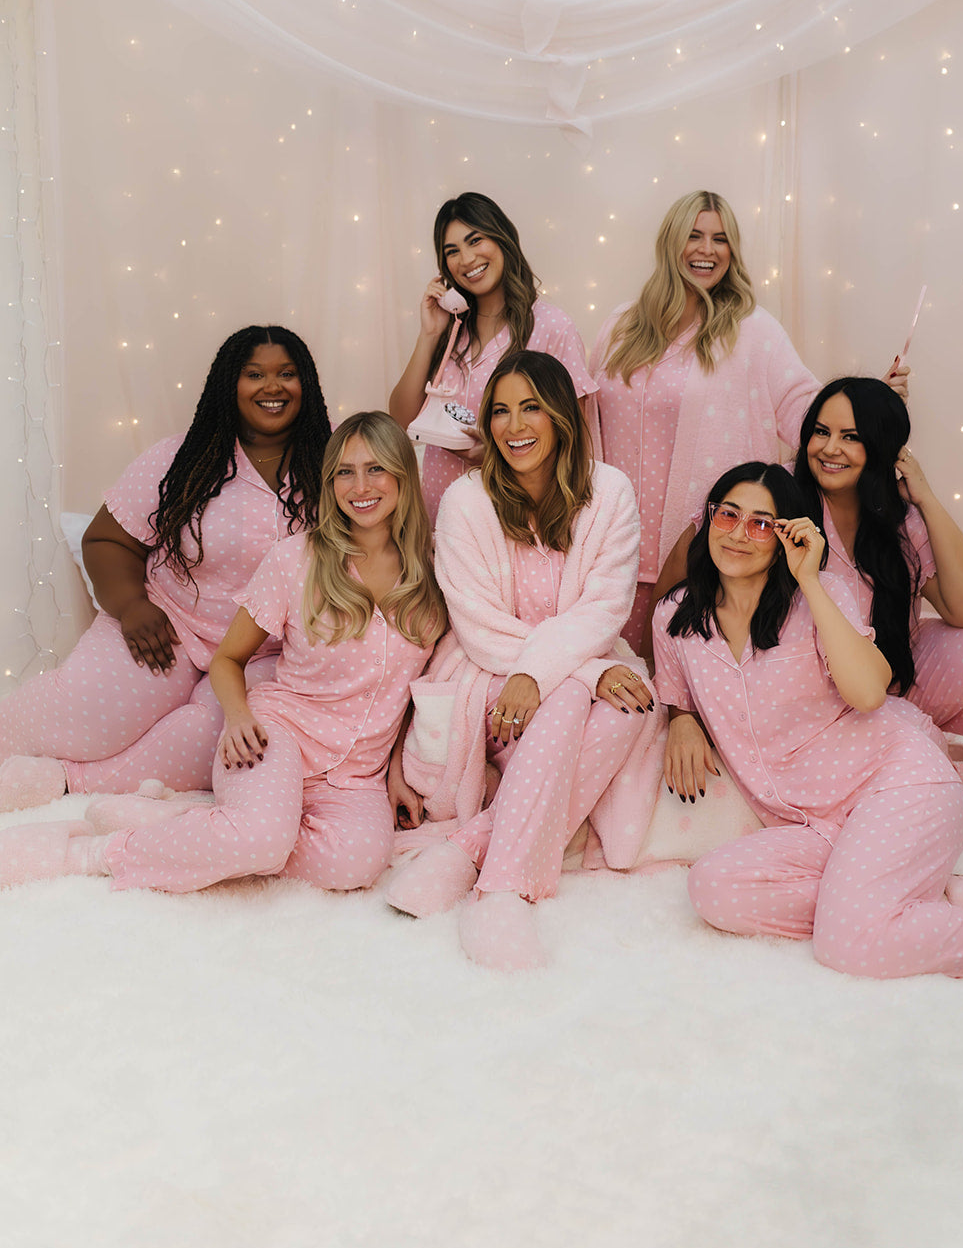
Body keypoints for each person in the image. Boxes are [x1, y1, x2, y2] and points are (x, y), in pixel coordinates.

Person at [0, 413, 446, 894]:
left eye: (376, 468)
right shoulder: (296, 560)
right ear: (330, 481)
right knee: (262, 839)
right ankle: (88, 853)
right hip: (277, 738)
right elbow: (228, 659)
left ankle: (193, 822)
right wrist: (237, 718)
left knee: (356, 865)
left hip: (360, 775)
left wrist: (398, 768)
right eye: (345, 471)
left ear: (404, 474)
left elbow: (411, 693)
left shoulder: (434, 574)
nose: (361, 485)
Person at [653, 462, 963, 978]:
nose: (739, 533)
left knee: (850, 947)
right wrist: (682, 720)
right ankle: (915, 900)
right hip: (811, 824)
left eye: (762, 523)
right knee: (713, 888)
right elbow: (677, 697)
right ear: (708, 518)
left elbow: (870, 692)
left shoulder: (819, 597)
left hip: (896, 783)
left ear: (788, 534)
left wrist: (811, 580)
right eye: (727, 515)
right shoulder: (674, 617)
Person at [385, 350, 660, 969]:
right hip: (487, 678)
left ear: (562, 415)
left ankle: (469, 851)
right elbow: (477, 626)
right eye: (501, 411)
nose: (514, 426)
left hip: (569, 667)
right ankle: (505, 888)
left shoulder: (610, 491)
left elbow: (603, 608)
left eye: (531, 407)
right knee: (570, 695)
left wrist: (554, 671)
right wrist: (560, 674)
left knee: (633, 707)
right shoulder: (465, 500)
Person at [0, 326, 331, 810]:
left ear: (308, 384)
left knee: (226, 741)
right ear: (227, 385)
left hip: (266, 653)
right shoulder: (181, 459)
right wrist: (131, 606)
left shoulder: (334, 464)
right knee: (88, 715)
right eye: (253, 374)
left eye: (287, 373)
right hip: (167, 626)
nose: (272, 386)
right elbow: (107, 538)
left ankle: (69, 781)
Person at [590, 190, 906, 651]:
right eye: (694, 236)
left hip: (698, 548)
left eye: (721, 239)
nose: (707, 249)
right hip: (614, 546)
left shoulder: (753, 330)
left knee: (679, 687)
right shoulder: (620, 326)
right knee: (614, 681)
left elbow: (807, 411)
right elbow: (583, 418)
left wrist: (866, 405)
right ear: (669, 242)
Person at [792, 377, 963, 838]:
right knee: (910, 746)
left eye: (851, 436)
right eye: (821, 431)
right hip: (823, 698)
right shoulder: (782, 495)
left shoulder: (896, 517)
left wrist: (926, 498)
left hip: (893, 676)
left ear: (883, 448)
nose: (829, 448)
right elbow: (696, 569)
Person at [388, 192, 597, 521]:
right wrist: (429, 334)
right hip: (440, 513)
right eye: (452, 251)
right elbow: (401, 419)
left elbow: (575, 441)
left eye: (475, 240)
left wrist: (498, 455)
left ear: (502, 239)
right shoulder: (451, 330)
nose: (467, 259)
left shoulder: (553, 327)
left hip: (516, 516)